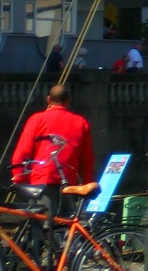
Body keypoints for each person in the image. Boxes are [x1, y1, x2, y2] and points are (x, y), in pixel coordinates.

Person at [10, 83, 97, 212]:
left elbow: (23, 151)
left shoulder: (37, 119)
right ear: (68, 100)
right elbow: (87, 158)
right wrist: (87, 182)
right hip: (69, 181)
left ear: (48, 99)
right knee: (67, 221)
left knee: (42, 220)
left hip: (41, 180)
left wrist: (19, 178)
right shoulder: (80, 122)